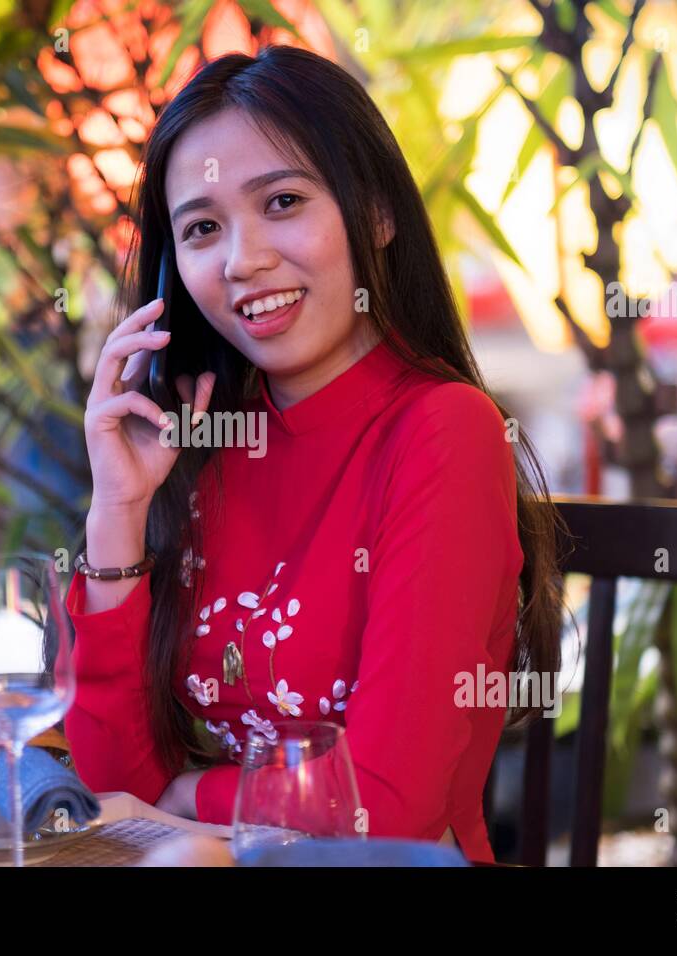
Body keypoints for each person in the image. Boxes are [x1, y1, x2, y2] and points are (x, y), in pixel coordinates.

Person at [62, 45, 563, 863]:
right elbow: (114, 777)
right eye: (202, 228)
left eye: (283, 201)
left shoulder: (445, 432)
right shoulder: (202, 445)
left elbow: (387, 808)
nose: (242, 261)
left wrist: (185, 794)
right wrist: (116, 510)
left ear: (376, 213)